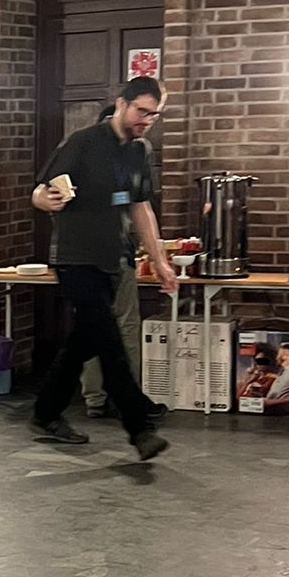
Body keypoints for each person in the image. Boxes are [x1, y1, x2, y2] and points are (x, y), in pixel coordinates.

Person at [29, 76, 177, 460]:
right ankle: (139, 427)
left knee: (84, 341)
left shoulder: (139, 152)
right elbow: (40, 191)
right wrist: (47, 201)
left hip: (114, 261)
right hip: (75, 259)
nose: (146, 120)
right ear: (122, 103)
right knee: (109, 341)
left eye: (154, 115)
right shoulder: (83, 142)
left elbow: (141, 209)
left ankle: (46, 412)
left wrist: (159, 261)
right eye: (141, 111)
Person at [81, 101, 166, 423]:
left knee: (91, 327)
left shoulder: (87, 156)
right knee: (124, 327)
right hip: (111, 256)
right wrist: (156, 258)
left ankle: (96, 398)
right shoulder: (129, 157)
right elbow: (140, 208)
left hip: (90, 259)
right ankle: (123, 398)